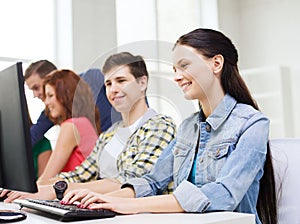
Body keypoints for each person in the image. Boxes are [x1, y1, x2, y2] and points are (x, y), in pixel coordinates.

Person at [60, 29, 278, 224]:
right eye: (174, 69)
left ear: (216, 64)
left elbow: (224, 193)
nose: (176, 76)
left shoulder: (252, 123)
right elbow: (152, 181)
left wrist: (128, 205)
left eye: (184, 65)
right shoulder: (188, 128)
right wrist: (108, 199)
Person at [2, 52, 176, 201]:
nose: (113, 89)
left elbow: (130, 182)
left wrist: (53, 191)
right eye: (108, 83)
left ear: (142, 83)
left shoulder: (160, 126)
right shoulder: (109, 134)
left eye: (121, 80)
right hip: (107, 212)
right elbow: (80, 175)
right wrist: (31, 190)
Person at [37, 69, 101, 182]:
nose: (46, 102)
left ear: (66, 94)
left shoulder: (71, 126)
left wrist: (21, 194)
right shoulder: (85, 122)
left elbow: (46, 179)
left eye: (50, 95)